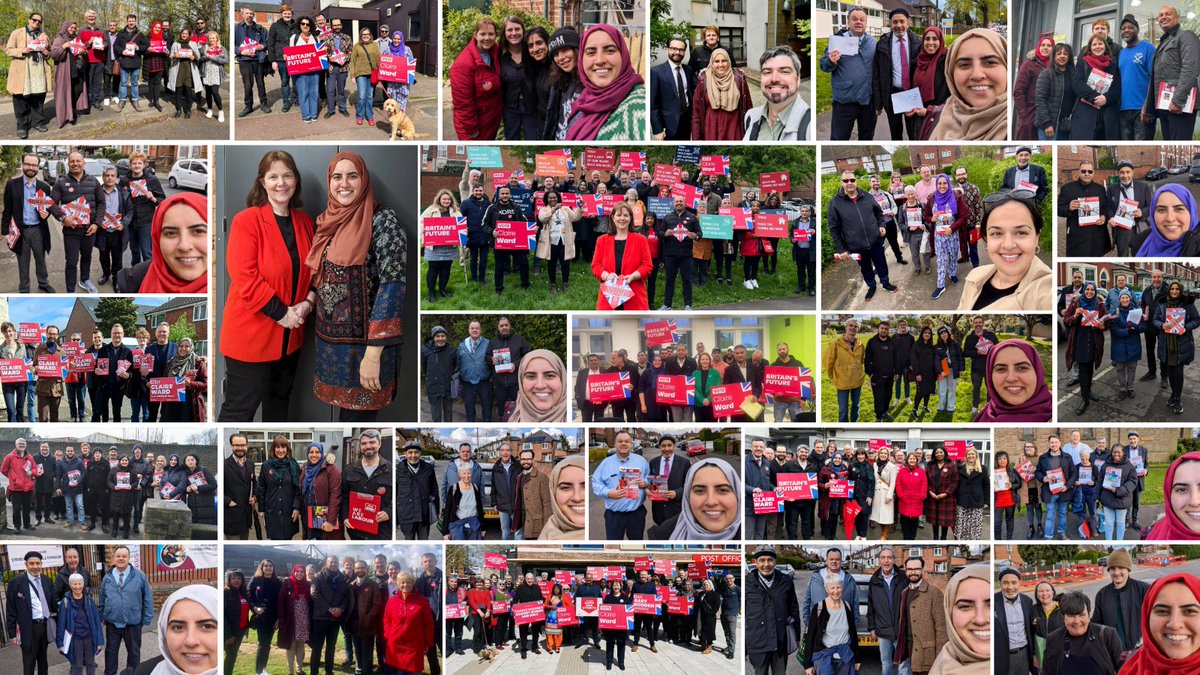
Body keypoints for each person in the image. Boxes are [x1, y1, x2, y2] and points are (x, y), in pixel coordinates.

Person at [306, 152, 406, 421]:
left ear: (364, 180)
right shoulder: (327, 221)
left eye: (353, 176)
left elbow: (392, 288)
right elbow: (323, 276)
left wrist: (373, 356)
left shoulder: (382, 221)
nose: (344, 184)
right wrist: (307, 303)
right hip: (331, 354)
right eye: (337, 177)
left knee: (356, 425)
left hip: (367, 352)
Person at [959, 191, 1051, 311]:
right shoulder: (974, 276)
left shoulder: (1048, 290)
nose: (1008, 245)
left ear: (1037, 237)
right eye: (996, 233)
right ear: (986, 239)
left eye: (1021, 232)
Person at [921, 28, 1008, 140]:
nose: (977, 75)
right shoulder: (937, 119)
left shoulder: (1015, 126)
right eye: (964, 65)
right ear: (951, 73)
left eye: (990, 62)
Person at [564, 24, 645, 140]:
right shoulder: (586, 96)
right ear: (581, 59)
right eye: (591, 52)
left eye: (610, 50)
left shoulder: (638, 106)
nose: (600, 60)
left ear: (623, 55)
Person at [829, 173, 897, 301]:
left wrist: (882, 225)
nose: (849, 182)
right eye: (846, 180)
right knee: (865, 267)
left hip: (875, 240)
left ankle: (885, 283)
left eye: (852, 180)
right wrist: (841, 249)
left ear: (856, 181)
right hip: (856, 245)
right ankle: (871, 286)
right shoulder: (835, 203)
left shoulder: (867, 196)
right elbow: (834, 228)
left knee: (881, 263)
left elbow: (879, 213)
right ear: (841, 182)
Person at [1142, 5, 1200, 141]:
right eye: (1161, 15)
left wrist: (1178, 101)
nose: (1163, 17)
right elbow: (1155, 77)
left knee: (1179, 141)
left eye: (1168, 14)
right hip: (1164, 105)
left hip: (1180, 106)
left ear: (1177, 18)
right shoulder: (1164, 41)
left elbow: (1190, 68)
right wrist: (1148, 106)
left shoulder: (1186, 36)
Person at [821, 8, 877, 140]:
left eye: (862, 19)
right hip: (844, 101)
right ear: (848, 22)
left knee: (867, 138)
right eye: (855, 19)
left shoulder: (873, 43)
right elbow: (823, 65)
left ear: (866, 22)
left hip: (868, 102)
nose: (858, 22)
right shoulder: (837, 41)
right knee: (839, 139)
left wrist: (878, 101)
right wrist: (830, 61)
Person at [50, 151, 101, 294]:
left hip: (89, 229)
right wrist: (62, 217)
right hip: (71, 231)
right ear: (68, 164)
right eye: (72, 161)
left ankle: (85, 280)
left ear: (83, 163)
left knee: (87, 257)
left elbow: (101, 203)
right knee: (71, 262)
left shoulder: (93, 181)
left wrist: (96, 223)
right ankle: (70, 290)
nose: (75, 164)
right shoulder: (61, 182)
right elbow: (51, 203)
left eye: (78, 161)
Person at [2, 152, 53, 294]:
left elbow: (47, 210)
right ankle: (24, 288)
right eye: (28, 164)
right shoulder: (12, 185)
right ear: (23, 164)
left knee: (40, 259)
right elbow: (7, 210)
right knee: (23, 262)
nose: (31, 167)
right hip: (20, 230)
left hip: (38, 230)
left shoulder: (44, 187)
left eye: (34, 165)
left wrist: (46, 214)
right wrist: (6, 231)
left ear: (38, 167)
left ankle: (43, 283)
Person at [746, 546, 802, 675]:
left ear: (775, 562)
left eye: (770, 560)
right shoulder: (747, 582)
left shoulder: (786, 581)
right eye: (762, 560)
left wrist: (797, 636)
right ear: (755, 562)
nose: (766, 564)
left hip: (780, 641)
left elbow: (793, 609)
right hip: (757, 642)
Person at [100, 546, 154, 675]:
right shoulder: (107, 577)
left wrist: (146, 618)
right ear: (114, 558)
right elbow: (102, 599)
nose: (121, 558)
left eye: (124, 556)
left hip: (133, 623)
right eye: (118, 556)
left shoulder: (139, 576)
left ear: (129, 558)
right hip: (112, 623)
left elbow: (147, 598)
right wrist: (102, 616)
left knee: (134, 653)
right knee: (110, 653)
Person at [1042, 591, 1122, 675]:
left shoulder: (1107, 635)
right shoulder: (1053, 639)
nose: (1077, 621)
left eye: (1081, 615)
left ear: (1089, 614)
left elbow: (1125, 668)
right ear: (1063, 617)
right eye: (1071, 616)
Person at [929, 565, 989, 675]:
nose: (980, 619)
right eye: (965, 606)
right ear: (949, 613)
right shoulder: (942, 662)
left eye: (992, 605)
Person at [592, 201, 652, 310]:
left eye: (625, 215)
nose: (622, 219)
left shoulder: (641, 240)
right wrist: (607, 276)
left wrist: (633, 276)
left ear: (630, 218)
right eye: (618, 215)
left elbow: (647, 266)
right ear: (613, 217)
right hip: (609, 297)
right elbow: (595, 266)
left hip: (634, 298)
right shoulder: (601, 240)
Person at [1151, 280, 1200, 415]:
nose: (1174, 291)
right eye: (1172, 289)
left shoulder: (1187, 304)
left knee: (1178, 373)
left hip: (1181, 343)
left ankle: (1177, 400)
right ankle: (1173, 395)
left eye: (1177, 289)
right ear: (1169, 290)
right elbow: (1154, 319)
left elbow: (1197, 320)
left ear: (1181, 290)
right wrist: (1161, 325)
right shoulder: (1162, 304)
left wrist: (1185, 328)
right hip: (1166, 343)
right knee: (1170, 373)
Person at [873, 9, 921, 140]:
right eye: (895, 22)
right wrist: (878, 103)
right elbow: (876, 75)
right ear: (890, 24)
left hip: (911, 94)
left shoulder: (918, 43)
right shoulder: (882, 44)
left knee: (914, 134)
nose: (898, 25)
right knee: (895, 133)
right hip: (891, 94)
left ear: (908, 23)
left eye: (902, 21)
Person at [592, 430, 650, 539]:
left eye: (627, 441)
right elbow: (595, 482)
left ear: (631, 444)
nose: (623, 443)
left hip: (636, 514)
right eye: (620, 441)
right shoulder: (605, 463)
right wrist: (608, 493)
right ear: (615, 444)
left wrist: (645, 482)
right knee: (614, 546)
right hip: (614, 516)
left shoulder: (642, 461)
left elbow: (650, 478)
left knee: (636, 545)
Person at [449, 18, 501, 139]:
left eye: (491, 34)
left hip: (490, 120)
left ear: (496, 35)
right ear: (475, 35)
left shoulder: (496, 51)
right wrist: (471, 127)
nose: (487, 38)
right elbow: (463, 102)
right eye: (482, 34)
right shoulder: (463, 64)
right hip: (473, 126)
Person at [7, 550, 55, 675]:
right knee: (29, 663)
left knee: (43, 661)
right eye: (32, 563)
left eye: (38, 563)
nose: (35, 566)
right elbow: (11, 609)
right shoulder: (16, 583)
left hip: (44, 627)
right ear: (26, 565)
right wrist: (12, 634)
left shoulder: (47, 581)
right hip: (28, 629)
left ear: (41, 564)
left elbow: (54, 604)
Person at [896, 557, 946, 675]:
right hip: (908, 647)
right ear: (906, 571)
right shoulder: (904, 592)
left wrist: (941, 657)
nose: (913, 572)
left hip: (927, 652)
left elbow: (941, 627)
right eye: (910, 569)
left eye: (917, 569)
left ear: (922, 570)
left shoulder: (934, 593)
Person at [803, 575, 861, 675]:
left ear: (842, 588)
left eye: (838, 587)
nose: (836, 591)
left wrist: (857, 658)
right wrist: (808, 664)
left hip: (845, 656)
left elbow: (853, 634)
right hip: (824, 656)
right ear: (826, 589)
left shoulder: (847, 607)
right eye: (832, 587)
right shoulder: (819, 608)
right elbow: (810, 637)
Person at [341, 428, 393, 540]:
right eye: (364, 443)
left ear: (379, 444)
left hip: (382, 531)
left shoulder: (392, 470)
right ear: (360, 446)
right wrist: (345, 517)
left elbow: (399, 497)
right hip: (355, 530)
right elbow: (344, 497)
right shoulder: (349, 470)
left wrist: (389, 511)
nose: (368, 446)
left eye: (372, 442)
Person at [6, 12, 51, 140]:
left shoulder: (43, 35)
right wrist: (22, 50)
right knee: (20, 99)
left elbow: (49, 52)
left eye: (39, 21)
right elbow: (8, 50)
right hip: (23, 71)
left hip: (38, 72)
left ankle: (37, 122)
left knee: (38, 99)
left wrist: (47, 53)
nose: (36, 22)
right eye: (34, 20)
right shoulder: (17, 33)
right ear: (29, 20)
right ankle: (22, 126)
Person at [689, 47, 751, 140]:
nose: (720, 64)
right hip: (710, 128)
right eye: (717, 61)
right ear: (712, 63)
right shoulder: (704, 80)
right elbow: (696, 114)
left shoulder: (739, 79)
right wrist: (696, 139)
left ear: (729, 61)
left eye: (724, 61)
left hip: (733, 127)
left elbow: (748, 107)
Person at [1070, 33, 1121, 140]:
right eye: (1094, 44)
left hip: (1107, 115)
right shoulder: (1083, 62)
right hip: (1085, 114)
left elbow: (1117, 86)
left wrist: (1106, 98)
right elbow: (1077, 83)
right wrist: (1095, 97)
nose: (1097, 47)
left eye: (1100, 44)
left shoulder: (1113, 64)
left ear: (1105, 46)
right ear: (1090, 47)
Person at [382, 570, 434, 675]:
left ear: (413, 583)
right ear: (398, 584)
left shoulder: (422, 601)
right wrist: (389, 635)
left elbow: (428, 624)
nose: (406, 585)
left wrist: (428, 642)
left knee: (415, 672)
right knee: (400, 672)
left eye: (409, 582)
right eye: (403, 582)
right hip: (397, 643)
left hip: (414, 645)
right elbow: (386, 619)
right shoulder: (392, 601)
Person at [57, 570, 104, 675]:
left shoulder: (89, 600)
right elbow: (61, 624)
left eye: (79, 584)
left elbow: (96, 622)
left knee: (90, 663)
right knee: (77, 665)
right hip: (75, 639)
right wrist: (60, 643)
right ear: (70, 585)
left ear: (83, 585)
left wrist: (99, 641)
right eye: (74, 584)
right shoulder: (65, 602)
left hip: (89, 638)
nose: (77, 586)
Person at [658, 195, 699, 311]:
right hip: (670, 255)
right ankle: (667, 305)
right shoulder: (667, 217)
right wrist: (664, 234)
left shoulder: (692, 217)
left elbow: (700, 233)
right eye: (676, 201)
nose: (679, 203)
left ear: (685, 203)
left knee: (687, 280)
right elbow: (659, 233)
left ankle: (688, 305)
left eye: (681, 201)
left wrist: (695, 236)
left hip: (686, 255)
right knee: (669, 280)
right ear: (673, 203)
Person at [1136, 184, 1199, 257]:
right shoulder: (1140, 242)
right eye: (1162, 210)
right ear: (1153, 213)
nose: (1169, 218)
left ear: (1191, 212)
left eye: (1179, 209)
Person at [802, 549, 859, 627]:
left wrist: (855, 623)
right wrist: (807, 622)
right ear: (826, 561)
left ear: (841, 561)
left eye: (837, 559)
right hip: (818, 625)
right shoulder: (815, 577)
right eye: (831, 559)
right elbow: (807, 600)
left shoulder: (849, 579)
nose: (834, 561)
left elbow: (855, 602)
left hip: (843, 626)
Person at [650, 37, 692, 140]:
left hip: (687, 122)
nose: (677, 52)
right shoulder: (656, 72)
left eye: (681, 50)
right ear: (668, 49)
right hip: (668, 125)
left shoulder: (688, 70)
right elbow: (653, 104)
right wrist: (657, 130)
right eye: (674, 48)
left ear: (684, 52)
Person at [49, 20, 88, 129]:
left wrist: (84, 52)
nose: (73, 29)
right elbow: (54, 55)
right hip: (65, 72)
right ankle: (66, 116)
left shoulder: (77, 39)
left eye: (75, 28)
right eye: (71, 27)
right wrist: (63, 47)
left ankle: (72, 111)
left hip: (77, 70)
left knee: (77, 91)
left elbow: (84, 50)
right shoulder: (59, 39)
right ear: (66, 27)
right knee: (65, 93)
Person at [825, 319, 865, 424]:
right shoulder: (836, 344)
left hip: (857, 380)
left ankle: (854, 424)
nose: (853, 328)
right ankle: (843, 425)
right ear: (846, 327)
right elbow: (828, 361)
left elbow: (862, 360)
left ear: (858, 329)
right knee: (843, 409)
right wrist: (832, 376)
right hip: (842, 381)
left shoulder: (860, 345)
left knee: (856, 405)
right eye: (850, 325)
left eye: (855, 326)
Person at [1014, 35, 1053, 139]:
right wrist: (1024, 114)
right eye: (1043, 45)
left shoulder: (1055, 66)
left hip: (1047, 114)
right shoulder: (1029, 64)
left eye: (1049, 45)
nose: (1045, 47)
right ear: (1038, 47)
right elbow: (1018, 90)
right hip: (1030, 112)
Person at [1035, 43, 1075, 140]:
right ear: (1054, 56)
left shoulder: (1074, 74)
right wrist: (1047, 123)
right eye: (1059, 53)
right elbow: (1040, 100)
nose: (1062, 56)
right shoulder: (1046, 73)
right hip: (1050, 125)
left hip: (1066, 125)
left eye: (1065, 54)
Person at [235, 7, 270, 116]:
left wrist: (262, 46)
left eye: (251, 13)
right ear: (242, 14)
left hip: (258, 59)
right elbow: (233, 45)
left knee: (260, 83)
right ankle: (248, 106)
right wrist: (241, 52)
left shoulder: (260, 28)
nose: (249, 15)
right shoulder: (236, 29)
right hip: (245, 60)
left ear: (253, 15)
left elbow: (268, 42)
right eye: (247, 13)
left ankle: (264, 104)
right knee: (247, 84)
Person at [277, 564, 311, 673]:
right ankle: (291, 671)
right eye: (297, 571)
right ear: (294, 572)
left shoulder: (307, 584)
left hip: (303, 619)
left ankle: (299, 669)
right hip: (290, 620)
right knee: (291, 645)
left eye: (302, 572)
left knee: (301, 645)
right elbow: (281, 602)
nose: (299, 574)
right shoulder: (287, 583)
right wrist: (281, 619)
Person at [167, 27, 201, 119]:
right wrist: (175, 55)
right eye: (183, 33)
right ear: (180, 34)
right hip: (178, 70)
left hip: (189, 70)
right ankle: (178, 109)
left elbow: (198, 56)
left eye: (186, 34)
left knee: (188, 91)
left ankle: (188, 110)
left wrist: (193, 57)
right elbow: (170, 57)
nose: (184, 35)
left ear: (189, 35)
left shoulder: (193, 44)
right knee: (178, 91)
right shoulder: (175, 44)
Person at [894, 451, 927, 539]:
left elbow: (924, 485)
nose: (912, 460)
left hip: (917, 501)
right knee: (904, 523)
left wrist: (922, 496)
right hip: (904, 501)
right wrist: (900, 495)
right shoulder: (902, 471)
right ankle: (906, 538)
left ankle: (912, 538)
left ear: (917, 460)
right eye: (910, 458)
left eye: (914, 459)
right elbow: (898, 484)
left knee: (914, 523)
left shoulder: (921, 472)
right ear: (907, 460)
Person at [932, 327, 964, 414]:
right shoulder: (936, 347)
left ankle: (950, 407)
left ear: (948, 333)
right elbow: (936, 360)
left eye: (945, 332)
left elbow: (960, 356)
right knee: (942, 389)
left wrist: (961, 369)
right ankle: (941, 407)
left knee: (952, 388)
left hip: (953, 370)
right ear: (939, 336)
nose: (944, 335)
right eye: (941, 333)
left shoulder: (955, 344)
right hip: (942, 371)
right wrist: (940, 371)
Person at [601, 579, 631, 669]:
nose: (616, 587)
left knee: (621, 645)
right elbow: (604, 610)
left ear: (621, 587)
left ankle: (621, 662)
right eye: (614, 585)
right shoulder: (607, 598)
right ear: (611, 587)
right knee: (610, 644)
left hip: (622, 627)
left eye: (618, 585)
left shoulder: (625, 598)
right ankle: (609, 662)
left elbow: (629, 611)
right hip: (610, 627)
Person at [224, 570, 249, 675]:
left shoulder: (243, 593)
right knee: (229, 657)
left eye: (239, 578)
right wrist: (228, 635)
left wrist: (246, 627)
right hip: (230, 633)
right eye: (233, 578)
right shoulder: (225, 593)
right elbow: (222, 615)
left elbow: (245, 611)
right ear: (229, 580)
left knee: (232, 656)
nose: (236, 580)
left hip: (240, 630)